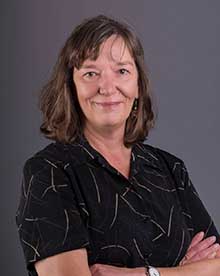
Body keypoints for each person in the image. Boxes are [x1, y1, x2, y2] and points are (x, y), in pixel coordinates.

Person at [16, 15, 220, 276]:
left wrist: (147, 274)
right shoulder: (49, 173)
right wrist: (185, 272)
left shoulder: (170, 169)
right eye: (91, 73)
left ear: (137, 86)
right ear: (71, 87)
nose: (107, 87)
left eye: (122, 71)